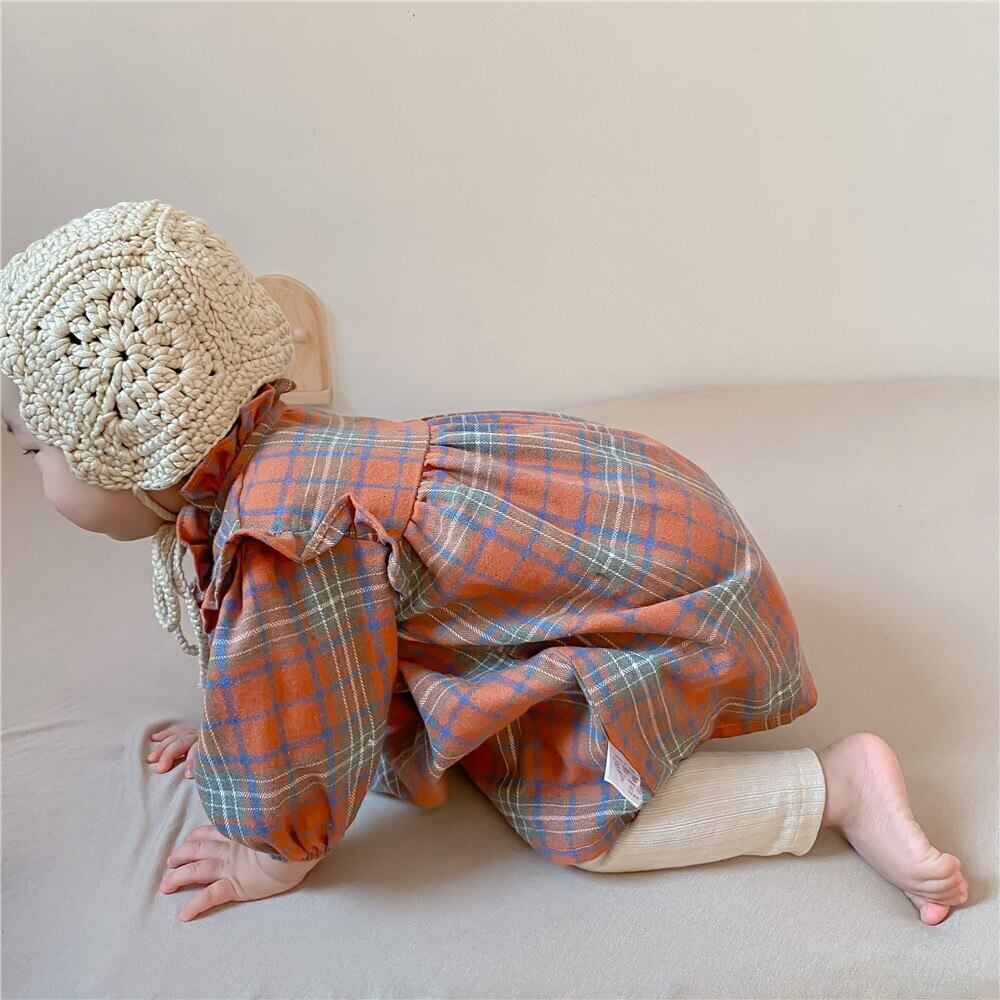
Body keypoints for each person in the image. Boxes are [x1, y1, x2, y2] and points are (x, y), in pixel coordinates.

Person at [0, 200, 967, 926]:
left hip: (665, 609)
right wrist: (231, 729)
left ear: (130, 448)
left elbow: (309, 723)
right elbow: (292, 671)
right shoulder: (282, 449)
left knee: (585, 828)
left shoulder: (281, 536)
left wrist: (270, 851)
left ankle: (831, 788)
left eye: (36, 448)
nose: (32, 468)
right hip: (650, 518)